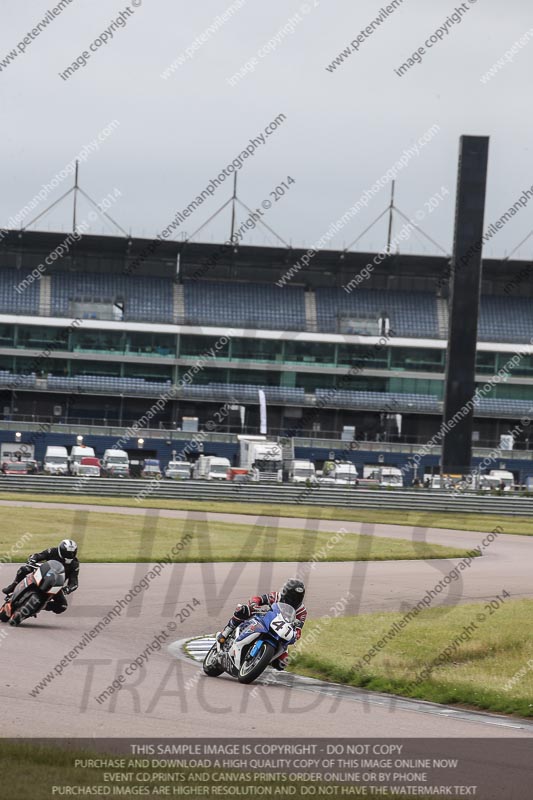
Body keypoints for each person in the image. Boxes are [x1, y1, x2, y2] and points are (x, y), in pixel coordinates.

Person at [217, 578, 307, 670]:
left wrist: (296, 635)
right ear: (286, 592)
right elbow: (258, 599)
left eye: (298, 597)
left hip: (280, 632)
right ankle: (226, 632)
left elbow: (298, 629)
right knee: (243, 610)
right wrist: (254, 604)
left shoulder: (302, 611)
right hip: (266, 620)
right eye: (292, 596)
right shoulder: (276, 596)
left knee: (282, 663)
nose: (294, 599)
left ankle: (261, 660)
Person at [2, 538, 79, 614]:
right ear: (61, 550)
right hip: (43, 574)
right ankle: (12, 587)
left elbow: (74, 582)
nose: (70, 555)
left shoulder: (74, 564)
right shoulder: (52, 551)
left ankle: (42, 606)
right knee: (24, 569)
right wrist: (32, 560)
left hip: (55, 585)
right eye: (67, 553)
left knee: (62, 606)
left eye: (72, 553)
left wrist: (67, 589)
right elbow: (39, 555)